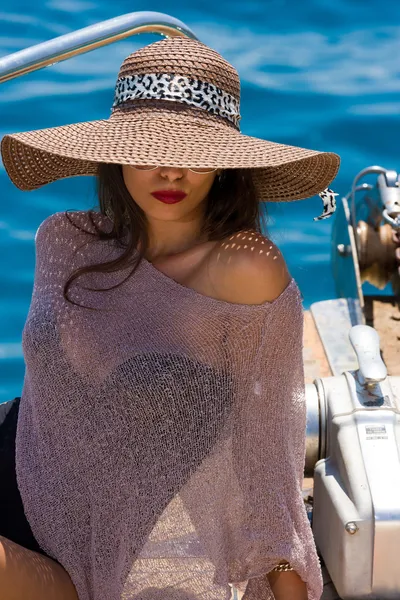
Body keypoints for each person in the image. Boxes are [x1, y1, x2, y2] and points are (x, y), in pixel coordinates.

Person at [0, 36, 340, 600]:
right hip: (24, 455)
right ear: (114, 151)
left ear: (224, 164)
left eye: (193, 151)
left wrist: (286, 585)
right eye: (146, 146)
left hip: (96, 544)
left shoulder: (243, 270)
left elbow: (268, 453)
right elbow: (49, 398)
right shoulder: (66, 240)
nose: (170, 169)